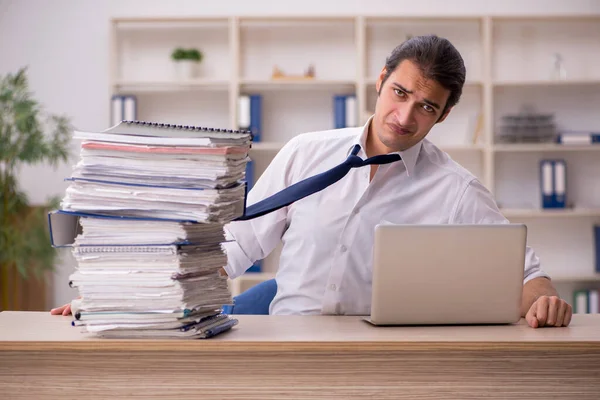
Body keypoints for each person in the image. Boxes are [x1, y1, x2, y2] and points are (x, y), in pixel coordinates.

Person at [52, 35, 572, 328]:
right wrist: (122, 297)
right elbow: (233, 246)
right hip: (287, 341)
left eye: (426, 106)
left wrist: (544, 298)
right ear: (380, 81)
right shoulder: (306, 151)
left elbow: (526, 275)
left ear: (444, 115)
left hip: (382, 355)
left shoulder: (456, 190)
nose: (403, 116)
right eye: (399, 93)